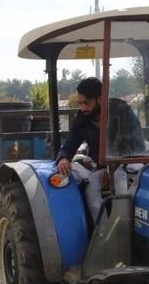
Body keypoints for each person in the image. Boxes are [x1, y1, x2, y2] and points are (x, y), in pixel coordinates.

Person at [56, 77, 144, 221]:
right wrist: (63, 158)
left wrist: (114, 166)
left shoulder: (122, 112)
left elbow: (136, 145)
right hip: (104, 167)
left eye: (86, 103)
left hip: (128, 163)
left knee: (119, 182)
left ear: (101, 98)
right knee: (91, 188)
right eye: (80, 103)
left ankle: (122, 227)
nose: (83, 108)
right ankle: (103, 231)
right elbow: (70, 145)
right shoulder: (82, 119)